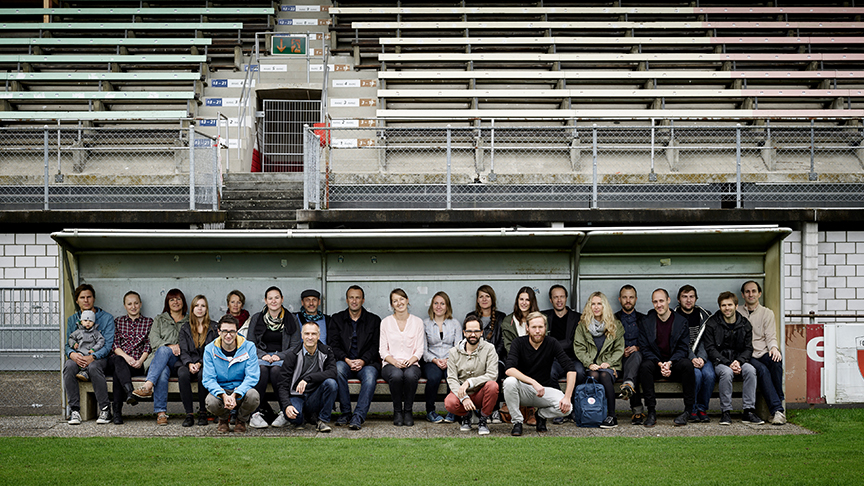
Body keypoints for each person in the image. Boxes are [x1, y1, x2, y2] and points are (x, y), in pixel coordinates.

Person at [503, 312, 577, 436]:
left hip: (543, 391)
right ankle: (517, 422)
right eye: (534, 327)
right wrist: (533, 382)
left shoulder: (552, 342)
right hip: (523, 390)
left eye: (540, 327)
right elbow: (509, 369)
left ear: (545, 327)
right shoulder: (518, 342)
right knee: (509, 382)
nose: (537, 331)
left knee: (567, 408)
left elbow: (571, 369)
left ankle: (541, 415)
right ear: (527, 328)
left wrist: (567, 397)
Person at [637, 288, 696, 427]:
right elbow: (644, 348)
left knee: (688, 365)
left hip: (674, 362)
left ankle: (688, 410)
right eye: (655, 302)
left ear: (668, 300)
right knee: (645, 367)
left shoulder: (681, 321)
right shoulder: (647, 321)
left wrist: (669, 363)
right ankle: (651, 411)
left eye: (661, 301)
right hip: (656, 362)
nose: (659, 305)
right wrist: (660, 364)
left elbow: (683, 348)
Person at [703, 291, 762, 425]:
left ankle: (748, 411)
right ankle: (726, 412)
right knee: (727, 372)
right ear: (720, 307)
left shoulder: (744, 323)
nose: (727, 308)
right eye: (723, 305)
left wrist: (739, 361)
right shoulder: (712, 323)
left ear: (736, 306)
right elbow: (710, 348)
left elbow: (748, 348)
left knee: (751, 371)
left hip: (739, 360)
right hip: (720, 362)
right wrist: (728, 363)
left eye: (730, 305)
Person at [328, 285, 382, 430]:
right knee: (337, 369)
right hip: (344, 361)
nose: (354, 300)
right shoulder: (337, 319)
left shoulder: (374, 320)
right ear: (347, 300)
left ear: (363, 300)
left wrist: (363, 360)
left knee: (370, 376)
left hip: (367, 363)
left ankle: (358, 416)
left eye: (357, 297)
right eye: (351, 297)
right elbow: (333, 345)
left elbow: (376, 346)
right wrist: (346, 359)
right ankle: (345, 412)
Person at [247, 286, 301, 429]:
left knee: (277, 371)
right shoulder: (256, 318)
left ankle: (285, 412)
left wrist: (279, 355)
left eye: (277, 297)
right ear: (265, 300)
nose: (274, 301)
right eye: (270, 298)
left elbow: (296, 345)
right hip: (261, 357)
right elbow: (250, 343)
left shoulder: (291, 319)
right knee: (262, 370)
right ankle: (255, 414)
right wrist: (263, 355)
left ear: (282, 299)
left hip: (282, 357)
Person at [132, 288, 188, 426]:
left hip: (179, 361)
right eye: (172, 299)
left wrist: (179, 347)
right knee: (162, 371)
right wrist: (170, 346)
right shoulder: (159, 319)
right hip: (158, 360)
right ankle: (161, 414)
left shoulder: (189, 321)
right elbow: (154, 340)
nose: (175, 302)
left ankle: (148, 385)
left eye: (178, 299)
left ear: (183, 302)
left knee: (164, 351)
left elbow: (192, 341)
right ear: (167, 303)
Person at [64, 284, 115, 425]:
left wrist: (92, 357)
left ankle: (105, 409)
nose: (86, 300)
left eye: (89, 297)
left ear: (94, 298)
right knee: (68, 366)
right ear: (77, 300)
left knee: (93, 367)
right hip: (78, 356)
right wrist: (72, 354)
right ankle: (74, 411)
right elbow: (68, 343)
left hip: (99, 358)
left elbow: (108, 345)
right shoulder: (72, 319)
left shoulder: (106, 318)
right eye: (82, 297)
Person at [573, 292, 625, 429]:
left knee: (604, 375)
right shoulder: (582, 326)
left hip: (610, 365)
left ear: (605, 306)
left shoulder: (616, 325)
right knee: (594, 375)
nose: (596, 307)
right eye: (593, 304)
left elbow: (619, 349)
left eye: (599, 304)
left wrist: (608, 363)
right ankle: (594, 413)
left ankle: (612, 416)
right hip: (590, 365)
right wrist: (590, 363)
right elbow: (578, 348)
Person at [738, 280, 786, 425]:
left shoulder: (767, 313)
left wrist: (774, 348)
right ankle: (778, 410)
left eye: (753, 291)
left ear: (759, 294)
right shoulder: (737, 312)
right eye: (747, 291)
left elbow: (771, 336)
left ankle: (778, 407)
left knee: (776, 361)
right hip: (746, 355)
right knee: (763, 371)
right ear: (742, 295)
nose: (750, 294)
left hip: (763, 351)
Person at [202, 315, 260, 434]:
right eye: (225, 331)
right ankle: (223, 419)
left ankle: (241, 420)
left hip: (241, 389)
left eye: (232, 331)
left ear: (237, 331)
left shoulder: (249, 347)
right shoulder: (209, 349)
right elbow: (208, 379)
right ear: (219, 332)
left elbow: (252, 376)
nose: (228, 335)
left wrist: (236, 394)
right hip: (221, 389)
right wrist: (223, 395)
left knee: (254, 396)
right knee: (210, 401)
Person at [444, 314, 499, 435]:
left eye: (476, 331)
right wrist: (463, 397)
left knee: (493, 386)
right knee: (450, 402)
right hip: (462, 393)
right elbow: (452, 379)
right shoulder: (454, 352)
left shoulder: (489, 349)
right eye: (469, 331)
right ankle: (466, 417)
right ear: (464, 332)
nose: (473, 335)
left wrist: (469, 382)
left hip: (481, 392)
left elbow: (492, 374)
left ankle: (483, 420)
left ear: (481, 332)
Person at [278, 322, 338, 432]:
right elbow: (282, 384)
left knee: (331, 383)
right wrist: (287, 405)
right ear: (302, 335)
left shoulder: (326, 351)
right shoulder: (292, 354)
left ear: (319, 336)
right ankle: (304, 417)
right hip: (296, 395)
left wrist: (307, 378)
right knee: (296, 418)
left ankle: (322, 420)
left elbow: (333, 372)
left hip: (315, 395)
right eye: (307, 334)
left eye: (313, 334)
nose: (310, 337)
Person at [380, 288, 425, 427]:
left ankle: (408, 411)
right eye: (395, 300)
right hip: (390, 364)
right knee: (397, 375)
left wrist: (410, 360)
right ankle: (397, 411)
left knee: (411, 376)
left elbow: (420, 349)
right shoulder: (385, 322)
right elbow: (382, 350)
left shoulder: (417, 322)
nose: (399, 303)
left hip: (412, 363)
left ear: (407, 300)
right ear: (392, 304)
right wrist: (394, 362)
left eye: (401, 299)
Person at [541, 284, 584, 424]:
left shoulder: (577, 318)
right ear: (550, 299)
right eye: (555, 297)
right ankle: (561, 407)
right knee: (549, 373)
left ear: (566, 298)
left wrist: (552, 343)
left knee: (580, 372)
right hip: (554, 359)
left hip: (573, 358)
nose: (559, 300)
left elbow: (574, 342)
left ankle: (571, 407)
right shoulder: (544, 317)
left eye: (562, 297)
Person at [108, 291, 152, 425]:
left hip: (138, 364)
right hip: (121, 358)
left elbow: (149, 345)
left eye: (136, 303)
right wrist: (127, 358)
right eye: (129, 304)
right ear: (125, 306)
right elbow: (115, 345)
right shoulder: (118, 322)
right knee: (118, 361)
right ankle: (129, 392)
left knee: (118, 373)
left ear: (140, 304)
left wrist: (140, 361)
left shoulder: (148, 322)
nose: (133, 306)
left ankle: (117, 412)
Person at [467, 284, 507, 424]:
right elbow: (467, 341)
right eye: (481, 296)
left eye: (487, 296)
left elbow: (503, 341)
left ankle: (493, 410)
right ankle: (473, 411)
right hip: (474, 358)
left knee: (494, 372)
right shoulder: (471, 317)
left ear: (492, 299)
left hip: (497, 358)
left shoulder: (501, 318)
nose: (484, 299)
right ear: (477, 300)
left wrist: (490, 357)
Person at [674, 284, 714, 423]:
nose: (688, 300)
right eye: (684, 297)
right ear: (679, 299)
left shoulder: (704, 315)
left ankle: (702, 409)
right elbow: (679, 342)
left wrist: (701, 358)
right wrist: (692, 358)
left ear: (696, 299)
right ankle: (692, 410)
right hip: (684, 357)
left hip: (703, 355)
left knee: (709, 374)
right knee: (695, 374)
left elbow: (707, 340)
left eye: (691, 296)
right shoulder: (674, 316)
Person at [178, 294, 218, 427]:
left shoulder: (213, 327)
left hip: (207, 363)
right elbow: (183, 350)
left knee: (203, 375)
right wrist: (189, 363)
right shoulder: (185, 328)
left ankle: (203, 412)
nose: (199, 309)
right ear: (192, 308)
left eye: (203, 306)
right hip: (188, 362)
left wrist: (200, 363)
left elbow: (213, 350)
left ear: (206, 309)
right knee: (182, 373)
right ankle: (189, 414)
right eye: (196, 306)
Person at [422, 291, 461, 424]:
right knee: (434, 377)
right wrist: (435, 360)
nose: (439, 306)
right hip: (431, 361)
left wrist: (449, 360)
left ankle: (452, 411)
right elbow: (423, 349)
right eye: (436, 303)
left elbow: (459, 346)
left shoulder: (454, 323)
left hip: (451, 359)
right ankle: (430, 411)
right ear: (432, 305)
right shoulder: (425, 323)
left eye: (442, 303)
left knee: (452, 376)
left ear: (447, 306)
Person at [615, 284, 647, 425]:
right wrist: (620, 350)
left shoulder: (644, 319)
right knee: (634, 370)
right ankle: (637, 412)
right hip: (617, 359)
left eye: (631, 297)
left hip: (638, 358)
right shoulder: (612, 319)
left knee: (636, 357)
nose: (628, 300)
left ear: (636, 299)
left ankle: (628, 384)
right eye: (625, 297)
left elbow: (650, 341)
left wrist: (638, 347)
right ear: (619, 299)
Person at [68, 310, 105, 382]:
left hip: (89, 352)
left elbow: (101, 341)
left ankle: (85, 373)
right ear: (81, 321)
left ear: (93, 322)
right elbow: (71, 338)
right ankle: (82, 372)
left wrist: (94, 349)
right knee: (79, 359)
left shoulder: (95, 333)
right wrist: (73, 344)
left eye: (90, 321)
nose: (88, 323)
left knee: (91, 362)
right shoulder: (78, 332)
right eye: (85, 320)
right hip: (80, 351)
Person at [502, 286, 541, 354]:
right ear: (517, 300)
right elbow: (508, 346)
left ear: (532, 301)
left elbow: (543, 343)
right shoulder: (508, 321)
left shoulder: (540, 319)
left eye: (527, 300)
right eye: (521, 299)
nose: (524, 303)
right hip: (516, 360)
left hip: (537, 359)